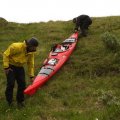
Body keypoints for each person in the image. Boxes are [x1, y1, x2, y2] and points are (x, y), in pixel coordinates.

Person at [3, 37, 39, 107]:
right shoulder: (16, 46)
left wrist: (31, 76)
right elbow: (5, 54)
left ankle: (20, 101)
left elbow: (30, 63)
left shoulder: (31, 52)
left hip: (20, 68)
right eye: (34, 47)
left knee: (22, 85)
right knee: (11, 84)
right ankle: (9, 102)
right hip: (11, 67)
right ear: (29, 45)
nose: (35, 49)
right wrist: (6, 67)